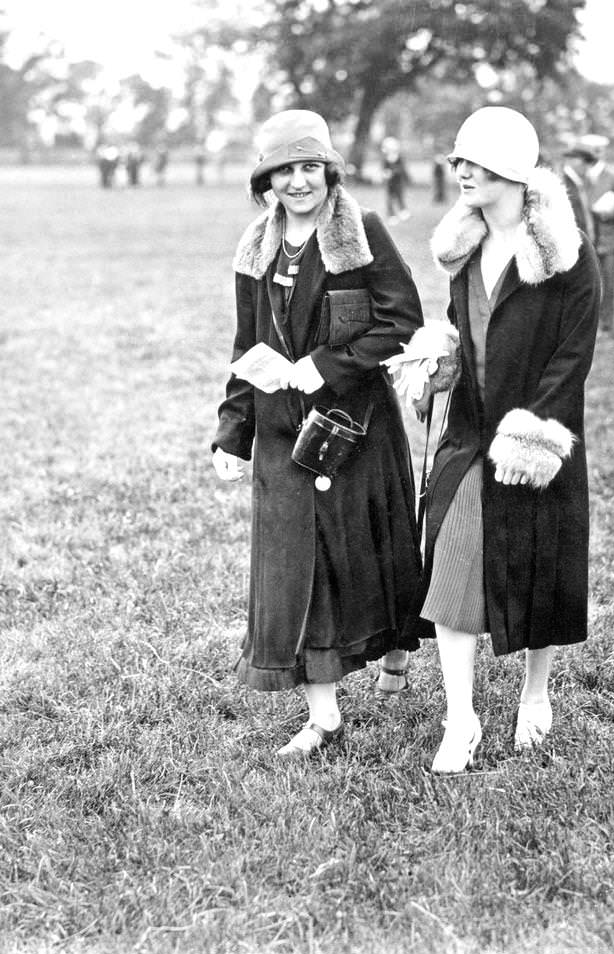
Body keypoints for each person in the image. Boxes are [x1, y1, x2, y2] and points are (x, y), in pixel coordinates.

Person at [210, 109, 424, 755]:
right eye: (285, 170)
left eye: (310, 167)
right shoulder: (256, 245)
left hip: (354, 429)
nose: (299, 181)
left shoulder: (364, 231)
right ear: (266, 180)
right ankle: (324, 716)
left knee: (365, 560)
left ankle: (392, 648)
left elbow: (401, 322)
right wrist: (232, 429)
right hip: (281, 435)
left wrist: (322, 367)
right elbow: (247, 345)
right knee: (290, 571)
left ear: (329, 171)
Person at [405, 106, 600, 775]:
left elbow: (572, 357)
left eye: (474, 162)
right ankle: (460, 718)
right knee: (452, 568)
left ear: (512, 173)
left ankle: (535, 691)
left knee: (540, 570)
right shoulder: (462, 248)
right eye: (457, 159)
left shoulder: (567, 257)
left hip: (534, 438)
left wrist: (535, 437)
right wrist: (438, 359)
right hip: (467, 436)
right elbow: (461, 326)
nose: (459, 170)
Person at [565, 134, 614, 333]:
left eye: (599, 150)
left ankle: (606, 322)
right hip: (586, 239)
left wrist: (612, 211)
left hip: (609, 238)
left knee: (609, 283)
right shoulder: (577, 179)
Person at [381, 137, 410, 223]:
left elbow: (401, 169)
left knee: (399, 197)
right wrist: (385, 174)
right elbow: (383, 169)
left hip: (398, 182)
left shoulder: (398, 158)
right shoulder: (386, 159)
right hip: (389, 183)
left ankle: (403, 211)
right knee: (389, 199)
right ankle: (391, 215)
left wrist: (392, 172)